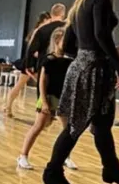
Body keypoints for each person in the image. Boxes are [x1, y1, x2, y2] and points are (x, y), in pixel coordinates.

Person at [42, 0, 119, 184]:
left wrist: (85, 57)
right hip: (95, 69)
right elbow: (102, 34)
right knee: (77, 124)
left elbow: (68, 45)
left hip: (82, 66)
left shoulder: (78, 5)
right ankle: (52, 171)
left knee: (102, 125)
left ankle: (112, 169)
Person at [17, 27, 77, 171]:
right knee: (38, 126)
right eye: (65, 40)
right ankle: (23, 156)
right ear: (56, 40)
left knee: (68, 130)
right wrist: (44, 101)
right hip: (49, 97)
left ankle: (65, 157)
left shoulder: (69, 61)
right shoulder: (48, 60)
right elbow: (42, 81)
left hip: (63, 98)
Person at [4, 11, 50, 117]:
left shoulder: (44, 31)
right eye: (49, 19)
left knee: (43, 86)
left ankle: (43, 111)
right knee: (21, 86)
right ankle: (8, 107)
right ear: (44, 20)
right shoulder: (38, 31)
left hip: (38, 63)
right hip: (31, 63)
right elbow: (32, 49)